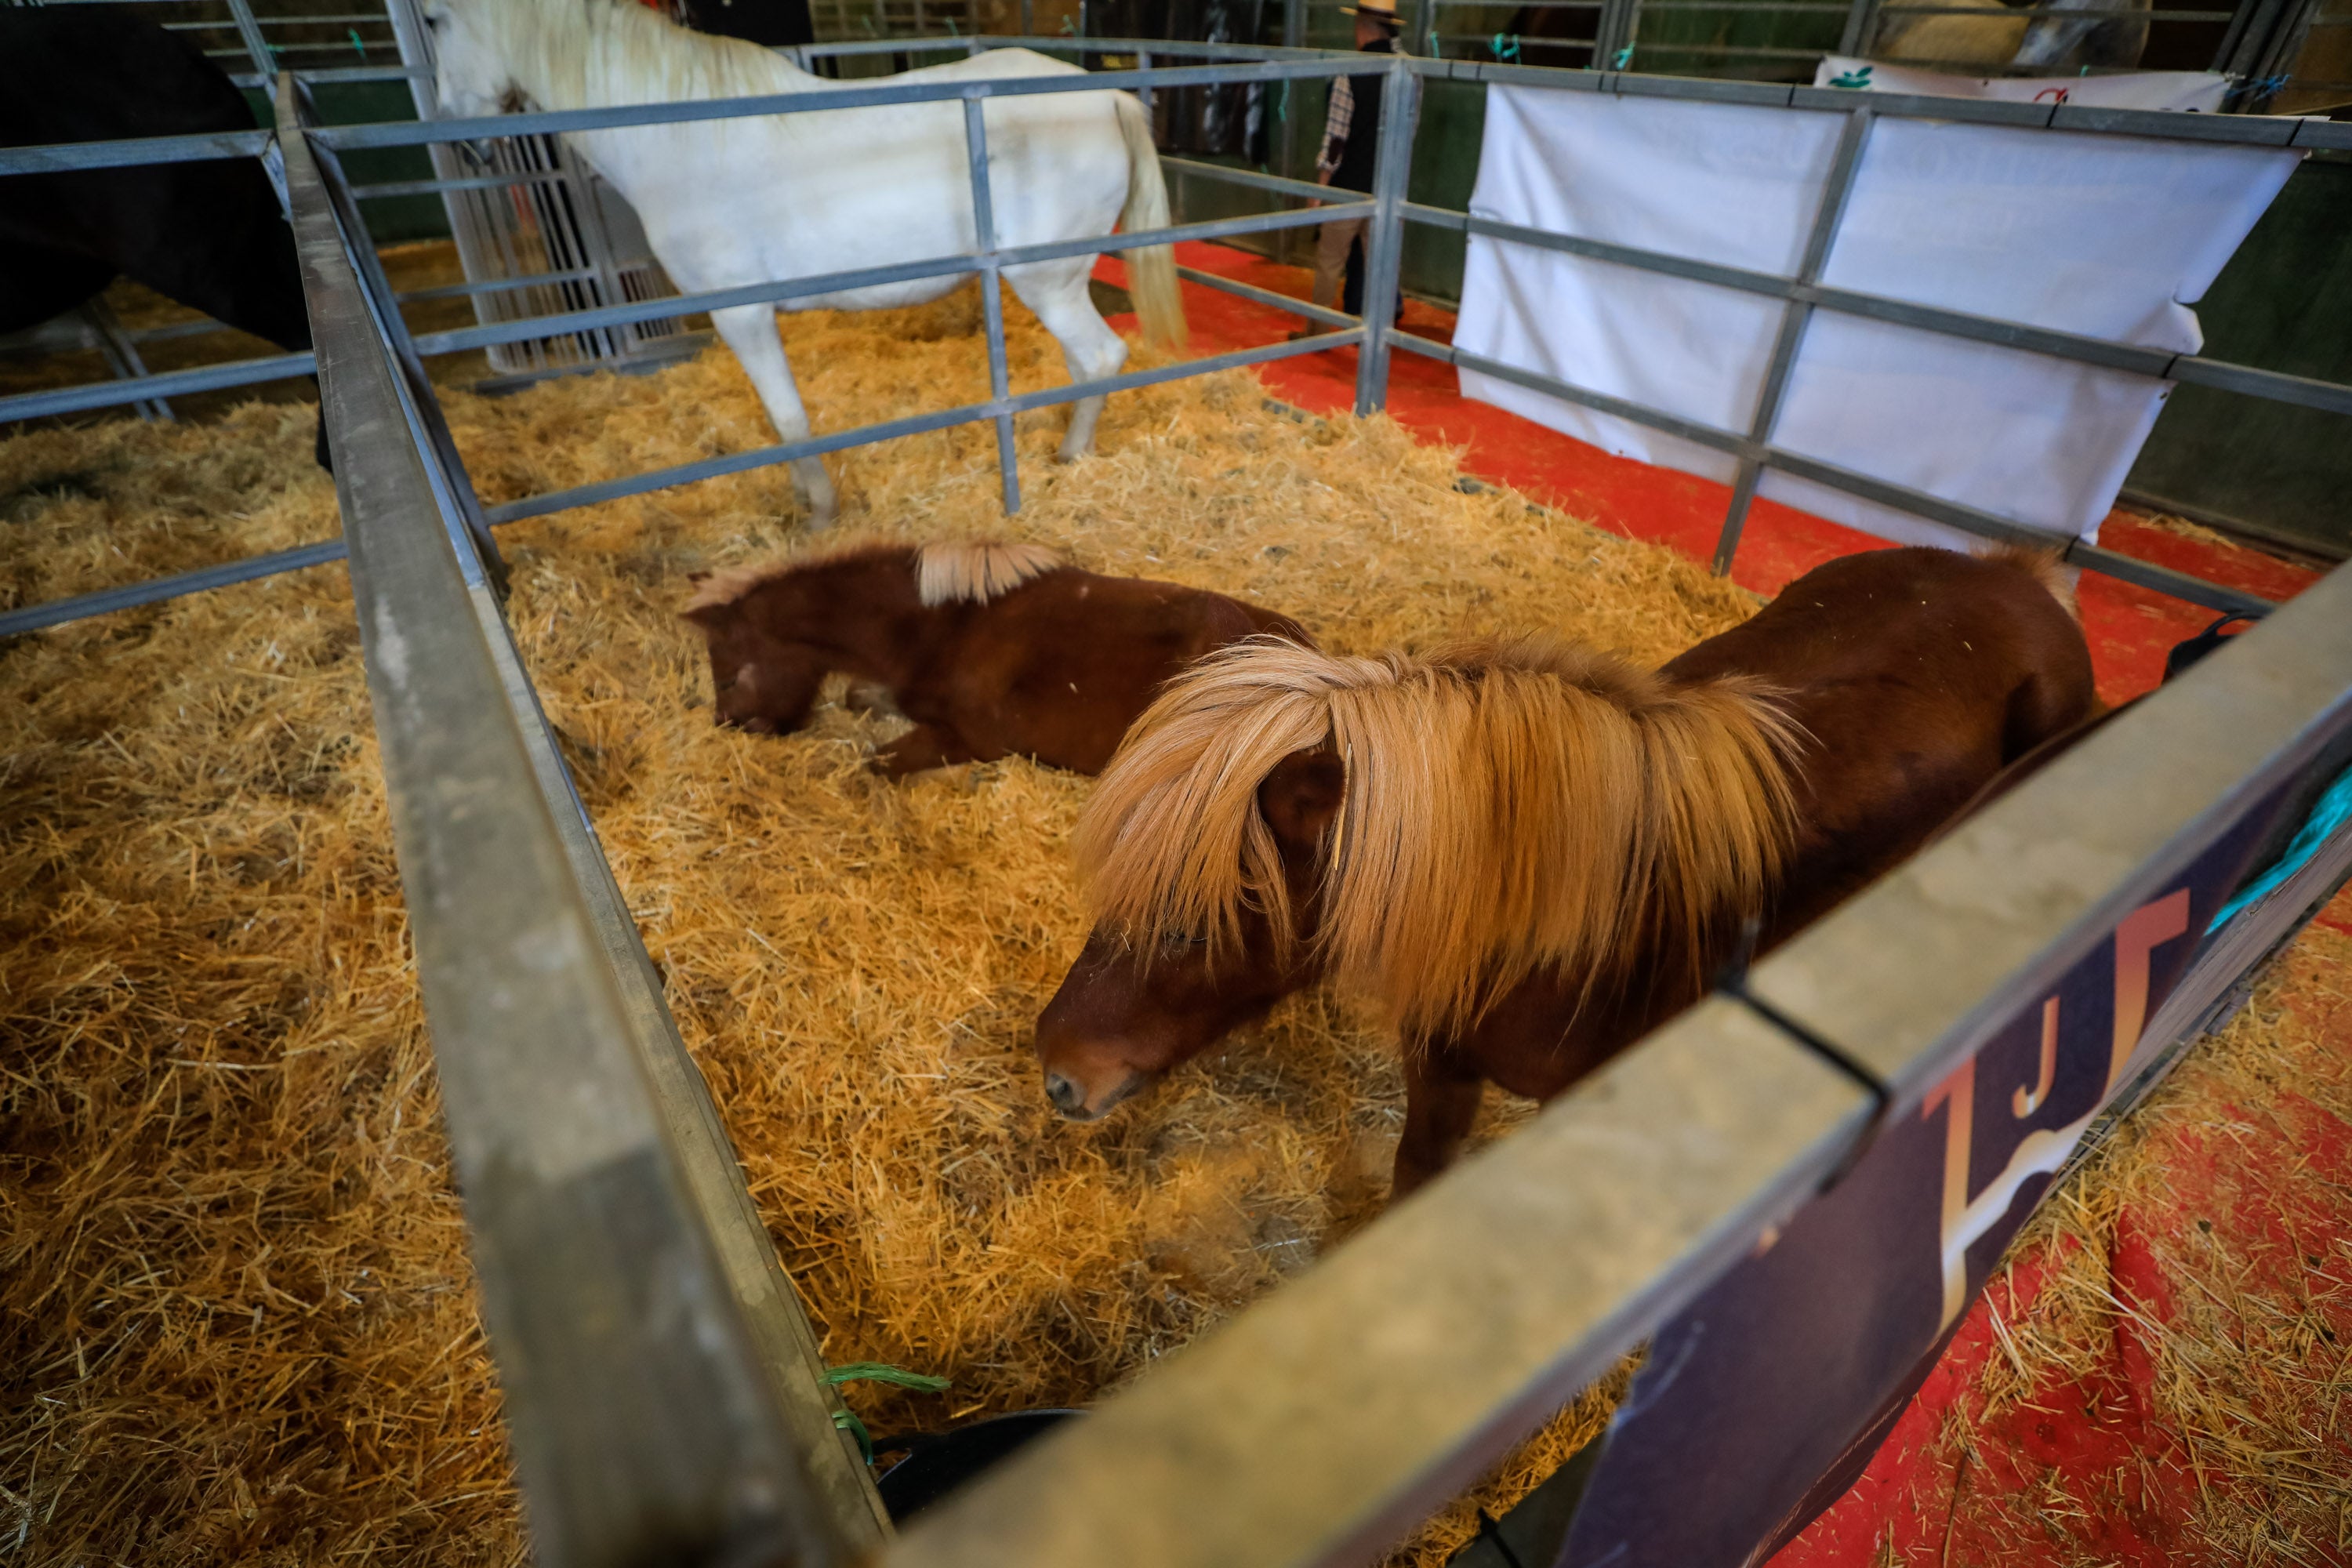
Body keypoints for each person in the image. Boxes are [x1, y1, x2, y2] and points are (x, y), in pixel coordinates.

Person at [1294, 0, 1403, 341]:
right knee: (1380, 265)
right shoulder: (1408, 73)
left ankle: (1318, 332)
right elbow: (1406, 134)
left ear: (1363, 27)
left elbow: (1336, 139)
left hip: (1347, 187)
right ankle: (1376, 336)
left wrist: (1320, 187)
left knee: (1329, 262)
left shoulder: (1349, 72)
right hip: (1387, 186)